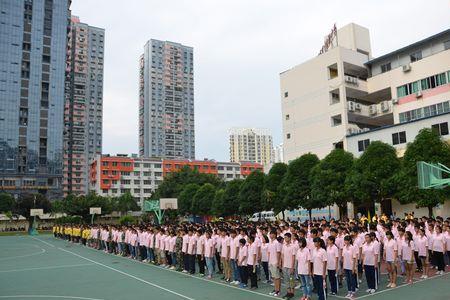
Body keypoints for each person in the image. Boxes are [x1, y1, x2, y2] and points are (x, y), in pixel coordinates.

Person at [281, 233, 296, 299]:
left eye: (286, 237)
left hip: (290, 266)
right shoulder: (284, 246)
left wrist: (292, 267)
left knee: (291, 280)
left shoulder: (293, 246)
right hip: (285, 265)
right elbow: (282, 255)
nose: (285, 239)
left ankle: (292, 292)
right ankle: (288, 292)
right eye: (284, 238)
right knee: (286, 279)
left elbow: (293, 257)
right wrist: (282, 265)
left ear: (290, 238)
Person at [268, 230, 282, 297]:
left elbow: (279, 253)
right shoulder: (270, 243)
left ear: (274, 235)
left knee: (277, 277)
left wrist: (278, 262)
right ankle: (275, 289)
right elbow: (269, 253)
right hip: (271, 261)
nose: (270, 235)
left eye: (271, 234)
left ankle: (278, 290)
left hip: (275, 262)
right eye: (270, 234)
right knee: (273, 277)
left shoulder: (277, 243)